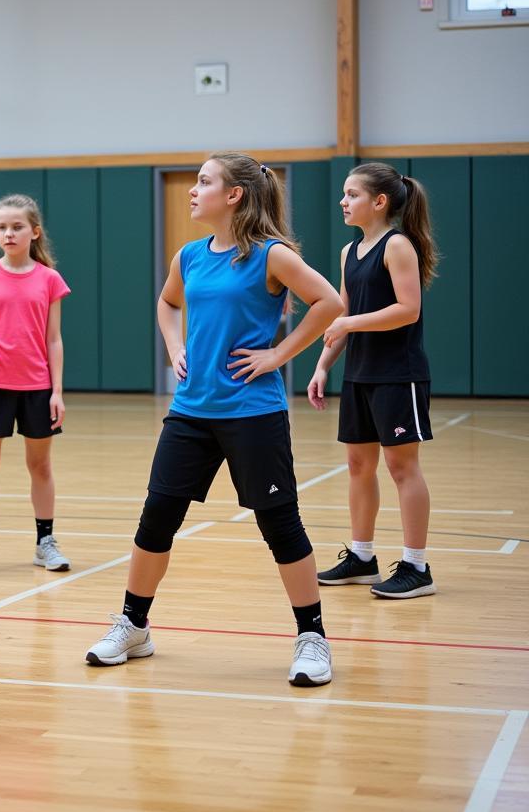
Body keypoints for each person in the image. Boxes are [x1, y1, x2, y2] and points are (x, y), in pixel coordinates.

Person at [84, 153, 344, 686]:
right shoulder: (190, 255)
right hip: (190, 411)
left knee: (280, 524)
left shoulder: (272, 256)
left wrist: (277, 355)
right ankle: (133, 626)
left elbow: (329, 302)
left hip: (253, 411)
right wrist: (174, 346)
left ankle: (312, 637)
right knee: (157, 518)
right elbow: (167, 304)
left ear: (234, 195)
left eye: (204, 182)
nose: (192, 190)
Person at [308, 162, 439, 599]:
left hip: (398, 375)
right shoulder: (350, 252)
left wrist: (349, 325)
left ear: (379, 202)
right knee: (358, 466)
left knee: (403, 468)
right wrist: (323, 364)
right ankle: (362, 558)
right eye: (344, 195)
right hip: (360, 376)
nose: (343, 202)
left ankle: (417, 567)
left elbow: (408, 309)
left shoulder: (397, 245)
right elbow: (342, 316)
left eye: (352, 195)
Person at [0, 194, 71, 577]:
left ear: (34, 232)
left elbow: (54, 339)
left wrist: (57, 391)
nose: (9, 233)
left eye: (17, 226)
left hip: (37, 386)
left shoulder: (49, 279)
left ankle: (45, 543)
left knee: (40, 466)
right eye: (2, 227)